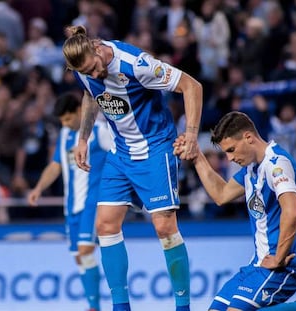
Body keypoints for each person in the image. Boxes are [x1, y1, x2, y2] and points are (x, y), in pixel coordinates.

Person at [62, 25, 203, 311]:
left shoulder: (136, 64)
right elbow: (91, 95)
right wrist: (83, 138)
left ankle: (183, 306)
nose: (94, 75)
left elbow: (192, 86)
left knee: (164, 227)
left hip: (155, 148)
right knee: (104, 225)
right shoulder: (85, 70)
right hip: (120, 152)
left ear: (97, 48)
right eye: (86, 73)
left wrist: (190, 133)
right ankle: (120, 307)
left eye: (94, 68)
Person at [173, 111, 296, 311]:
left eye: (231, 149)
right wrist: (197, 156)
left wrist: (279, 257)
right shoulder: (252, 169)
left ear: (248, 137)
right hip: (257, 264)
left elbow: (292, 211)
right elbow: (221, 194)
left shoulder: (277, 164)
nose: (230, 158)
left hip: (285, 264)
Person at [27, 92, 114, 311]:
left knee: (86, 251)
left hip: (92, 202)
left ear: (79, 111)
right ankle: (93, 304)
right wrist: (39, 188)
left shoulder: (99, 131)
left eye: (68, 118)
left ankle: (95, 307)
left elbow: (120, 153)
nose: (65, 124)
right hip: (71, 205)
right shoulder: (65, 135)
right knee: (79, 258)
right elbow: (56, 165)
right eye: (62, 121)